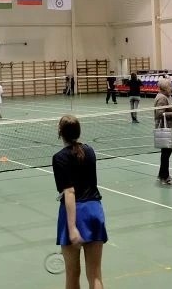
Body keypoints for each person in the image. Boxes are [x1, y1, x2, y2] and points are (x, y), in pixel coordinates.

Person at [52, 115, 106, 289]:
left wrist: (72, 227)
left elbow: (69, 192)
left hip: (75, 214)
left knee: (72, 273)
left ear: (60, 132)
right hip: (94, 211)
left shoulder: (59, 158)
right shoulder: (90, 151)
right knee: (95, 274)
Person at [153, 77, 172, 186]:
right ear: (165, 88)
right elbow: (160, 114)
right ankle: (165, 177)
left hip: (168, 127)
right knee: (166, 153)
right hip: (164, 128)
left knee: (166, 153)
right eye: (170, 86)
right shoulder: (162, 98)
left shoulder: (167, 96)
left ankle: (162, 175)